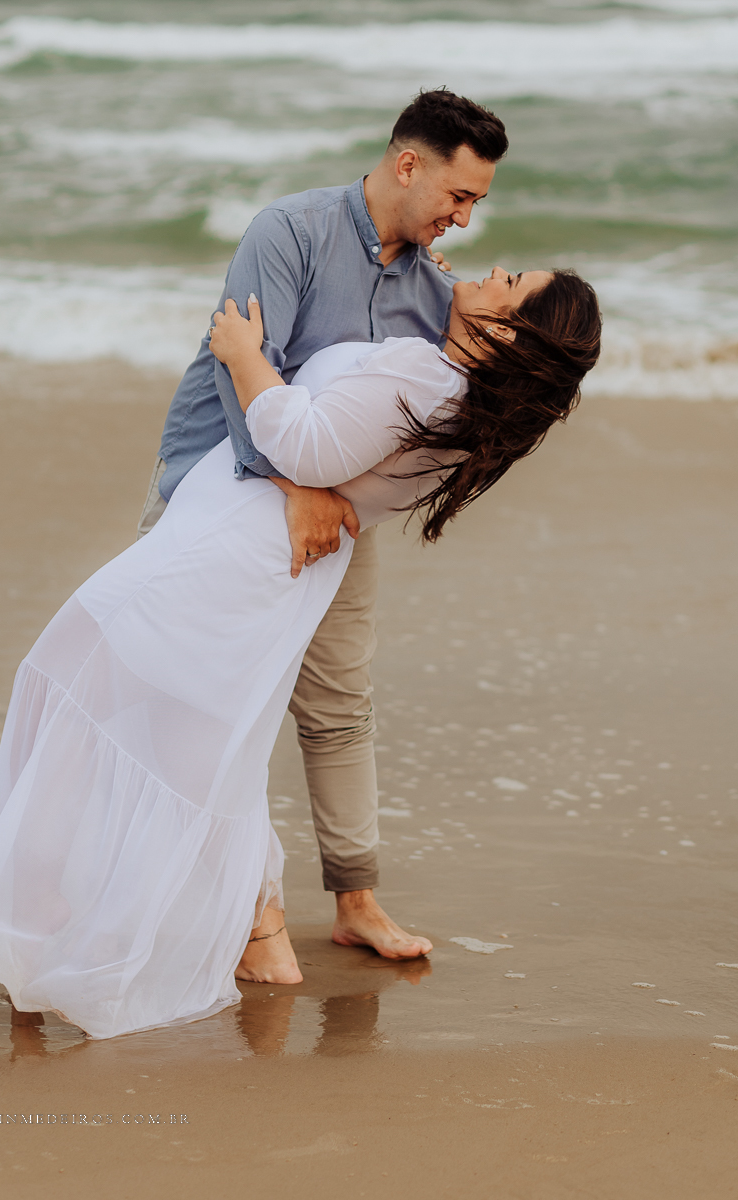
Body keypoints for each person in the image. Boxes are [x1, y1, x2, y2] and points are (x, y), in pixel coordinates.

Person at [0, 264, 601, 1039]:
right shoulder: (458, 410)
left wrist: (241, 355)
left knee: (68, 686)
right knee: (186, 742)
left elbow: (305, 448)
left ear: (503, 329)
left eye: (513, 279)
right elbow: (333, 459)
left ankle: (50, 911)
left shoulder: (425, 376)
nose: (494, 268)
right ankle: (240, 931)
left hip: (219, 558)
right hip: (254, 566)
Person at [137, 89, 508, 962]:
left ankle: (355, 900)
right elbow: (241, 363)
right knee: (197, 703)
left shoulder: (435, 292)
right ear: (408, 164)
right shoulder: (290, 231)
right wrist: (290, 486)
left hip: (333, 521)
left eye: (475, 204)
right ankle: (242, 912)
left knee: (339, 703)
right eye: (458, 195)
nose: (463, 218)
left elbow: (411, 416)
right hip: (216, 490)